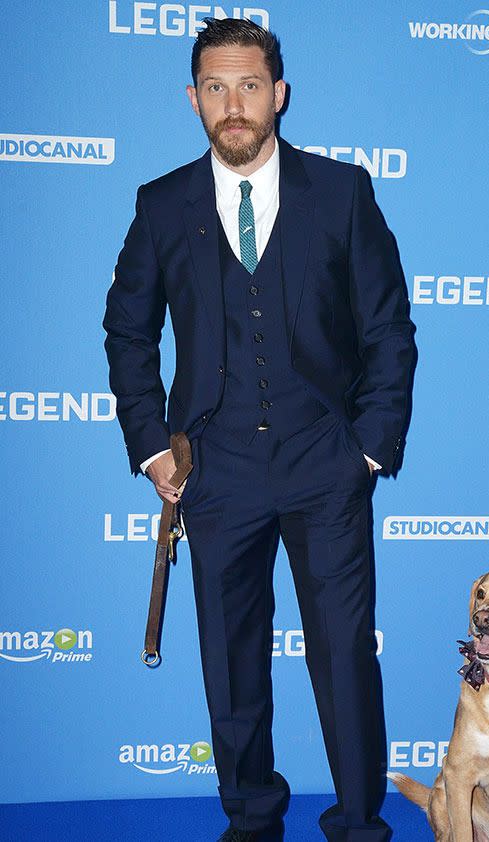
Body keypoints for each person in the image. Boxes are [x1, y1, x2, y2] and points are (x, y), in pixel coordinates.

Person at [104, 17, 416, 842]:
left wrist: (369, 447)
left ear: (278, 94)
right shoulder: (163, 204)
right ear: (193, 98)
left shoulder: (342, 192)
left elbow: (388, 329)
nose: (232, 105)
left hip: (326, 463)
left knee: (343, 657)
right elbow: (128, 333)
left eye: (249, 86)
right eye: (215, 87)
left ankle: (357, 823)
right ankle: (251, 818)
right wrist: (149, 446)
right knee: (231, 659)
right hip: (218, 468)